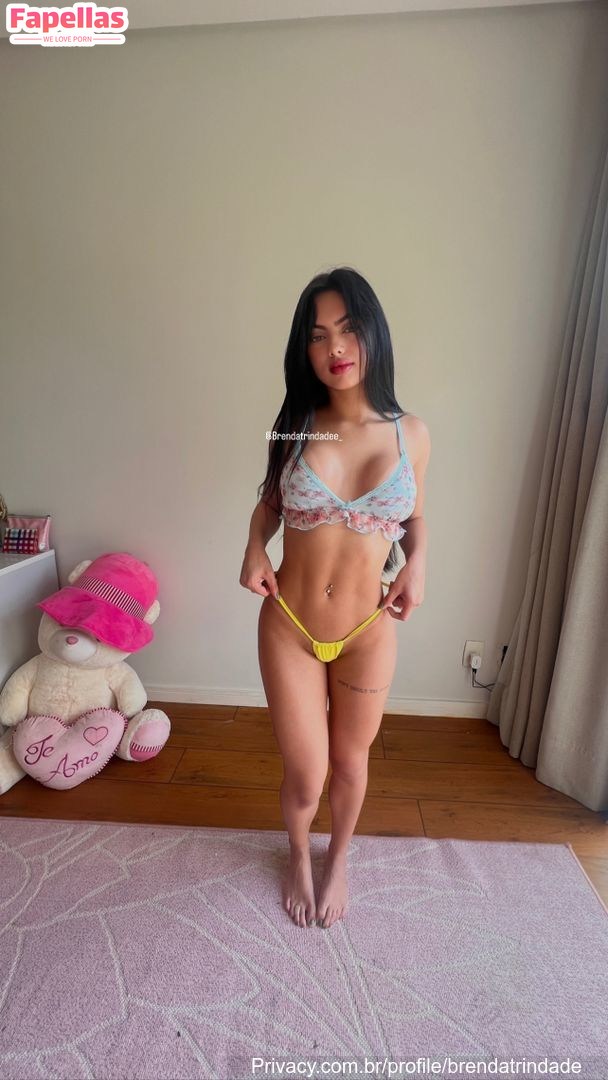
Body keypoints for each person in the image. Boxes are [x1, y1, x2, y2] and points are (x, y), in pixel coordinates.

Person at [239, 267, 431, 931]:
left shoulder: (410, 434)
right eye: (318, 335)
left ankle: (338, 856)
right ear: (306, 349)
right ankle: (298, 851)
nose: (335, 347)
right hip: (290, 625)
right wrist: (253, 547)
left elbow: (416, 517)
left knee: (350, 763)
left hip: (367, 631)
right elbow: (269, 505)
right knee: (306, 774)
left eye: (348, 329)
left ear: (373, 332)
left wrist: (418, 563)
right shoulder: (298, 426)